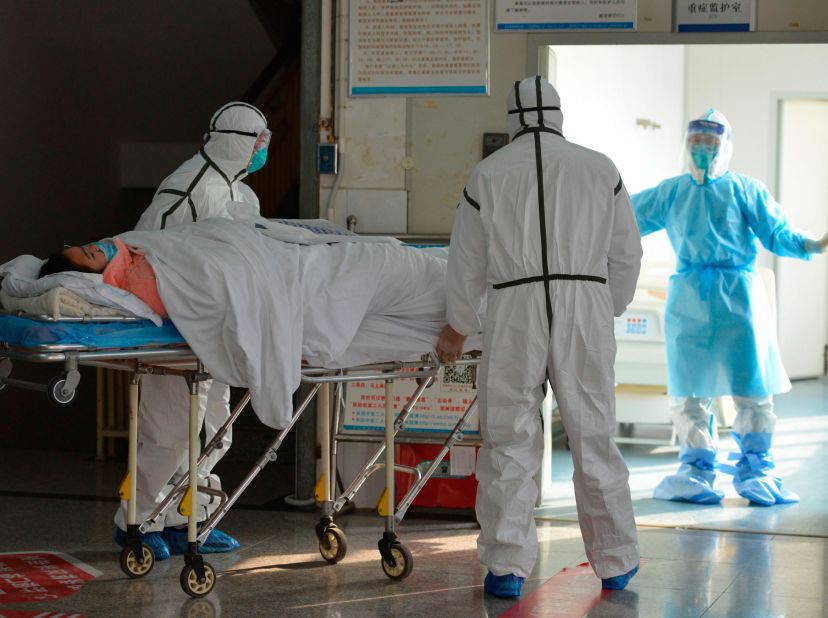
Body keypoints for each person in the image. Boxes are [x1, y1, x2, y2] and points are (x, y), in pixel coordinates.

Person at [436, 76, 643, 599]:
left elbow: (466, 262)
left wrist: (459, 325)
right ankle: (616, 561)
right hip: (584, 308)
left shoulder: (487, 174)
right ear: (558, 115)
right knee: (593, 435)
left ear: (512, 120)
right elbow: (628, 253)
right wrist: (606, 305)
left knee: (508, 437)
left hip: (514, 308)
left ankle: (507, 567)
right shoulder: (601, 168)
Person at [631, 109, 828, 507]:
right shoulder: (672, 192)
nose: (703, 150)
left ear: (726, 146)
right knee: (690, 392)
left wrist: (814, 244)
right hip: (689, 302)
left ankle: (757, 471)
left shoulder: (745, 190)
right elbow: (623, 216)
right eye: (696, 143)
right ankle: (695, 471)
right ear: (686, 146)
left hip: (739, 301)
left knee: (751, 389)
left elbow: (777, 232)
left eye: (712, 143)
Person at [117, 102, 271, 559]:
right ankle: (137, 521)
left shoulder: (239, 194)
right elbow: (147, 252)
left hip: (219, 327)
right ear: (238, 140)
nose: (263, 151)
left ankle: (190, 519)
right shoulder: (187, 187)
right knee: (169, 433)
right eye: (259, 141)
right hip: (174, 327)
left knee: (214, 431)